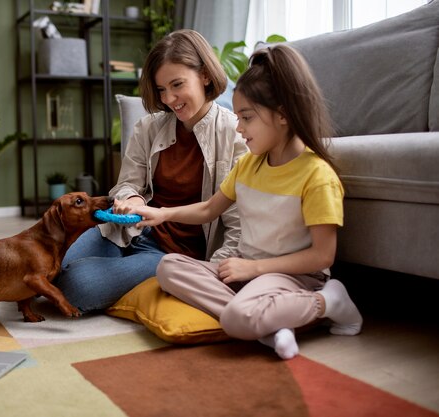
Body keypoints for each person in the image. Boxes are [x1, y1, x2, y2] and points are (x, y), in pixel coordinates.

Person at [131, 44, 363, 360]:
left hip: (291, 276)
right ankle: (269, 323)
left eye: (247, 118)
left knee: (235, 319)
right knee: (169, 267)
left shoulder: (316, 175)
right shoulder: (249, 165)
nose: (239, 128)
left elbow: (323, 255)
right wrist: (160, 214)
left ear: (282, 114)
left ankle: (328, 301)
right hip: (245, 270)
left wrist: (254, 267)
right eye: (238, 117)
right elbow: (209, 209)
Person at [52, 29, 248, 313]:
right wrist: (132, 200)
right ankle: (107, 273)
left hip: (171, 255)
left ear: (205, 75)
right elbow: (126, 184)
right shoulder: (149, 127)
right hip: (128, 230)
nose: (168, 99)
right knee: (48, 261)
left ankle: (109, 276)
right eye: (161, 89)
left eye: (177, 85)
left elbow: (236, 223)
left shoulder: (234, 136)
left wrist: (212, 273)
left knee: (76, 288)